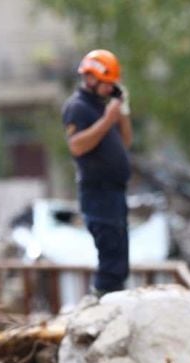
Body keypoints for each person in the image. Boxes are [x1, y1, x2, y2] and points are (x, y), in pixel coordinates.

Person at [62, 49, 133, 296]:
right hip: (98, 193)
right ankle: (104, 299)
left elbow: (125, 142)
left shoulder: (102, 108)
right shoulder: (78, 108)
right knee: (110, 253)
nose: (109, 90)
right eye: (106, 85)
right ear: (91, 79)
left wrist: (121, 113)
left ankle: (114, 296)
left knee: (120, 252)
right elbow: (77, 145)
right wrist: (107, 119)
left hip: (115, 192)